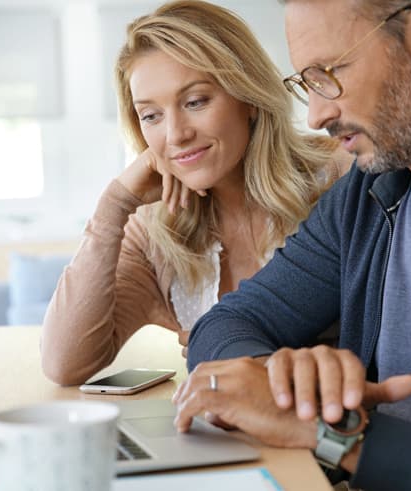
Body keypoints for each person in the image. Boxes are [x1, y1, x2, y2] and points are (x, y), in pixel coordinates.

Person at [174, 0, 411, 489]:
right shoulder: (366, 194)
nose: (316, 115)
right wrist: (277, 378)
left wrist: (332, 434)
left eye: (329, 72)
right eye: (306, 83)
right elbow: (227, 321)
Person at [40, 0, 348, 386]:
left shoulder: (339, 177)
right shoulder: (155, 231)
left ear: (248, 98)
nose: (176, 135)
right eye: (151, 115)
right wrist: (114, 206)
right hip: (217, 431)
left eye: (195, 101)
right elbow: (64, 364)